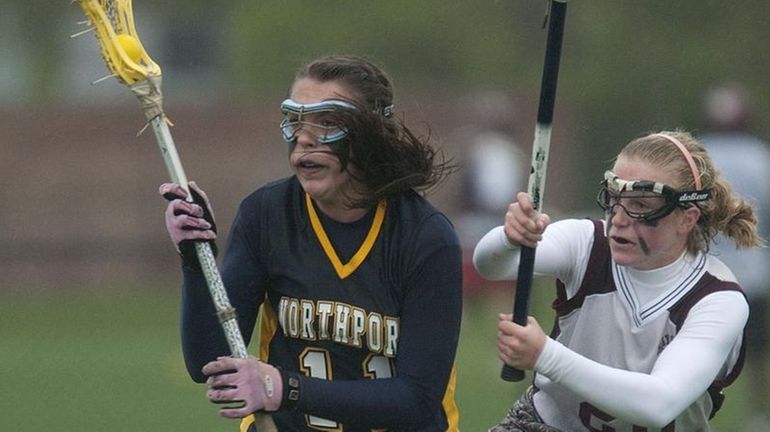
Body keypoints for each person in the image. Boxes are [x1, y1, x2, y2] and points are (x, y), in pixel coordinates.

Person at [160, 54, 463, 431]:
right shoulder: (266, 215)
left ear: (373, 132)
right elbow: (208, 360)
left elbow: (416, 401)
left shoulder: (426, 238)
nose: (304, 138)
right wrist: (195, 255)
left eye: (328, 123)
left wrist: (283, 388)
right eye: (296, 121)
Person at [473, 130, 763, 431]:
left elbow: (658, 405)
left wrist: (544, 354)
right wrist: (510, 238)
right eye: (615, 198)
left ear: (686, 218)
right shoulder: (587, 243)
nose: (619, 219)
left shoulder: (717, 298)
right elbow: (491, 265)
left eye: (641, 205)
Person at [699, 82, 770, 430]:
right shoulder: (760, 156)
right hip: (752, 268)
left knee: (699, 340)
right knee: (756, 350)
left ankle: (696, 406)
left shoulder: (702, 154)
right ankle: (757, 414)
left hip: (706, 267)